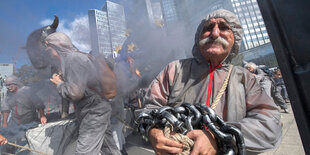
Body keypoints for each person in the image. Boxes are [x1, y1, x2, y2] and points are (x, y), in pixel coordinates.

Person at [140, 9, 282, 154]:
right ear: (198, 37)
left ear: (235, 38)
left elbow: (269, 123)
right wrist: (153, 132)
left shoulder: (246, 79)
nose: (214, 33)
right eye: (208, 28)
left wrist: (219, 138)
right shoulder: (174, 70)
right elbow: (149, 110)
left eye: (223, 27)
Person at [45, 32, 121, 155]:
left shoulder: (73, 58)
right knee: (109, 149)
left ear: (56, 45)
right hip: (96, 109)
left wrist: (59, 83)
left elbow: (75, 93)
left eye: (47, 46)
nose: (46, 50)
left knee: (84, 152)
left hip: (93, 111)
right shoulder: (74, 58)